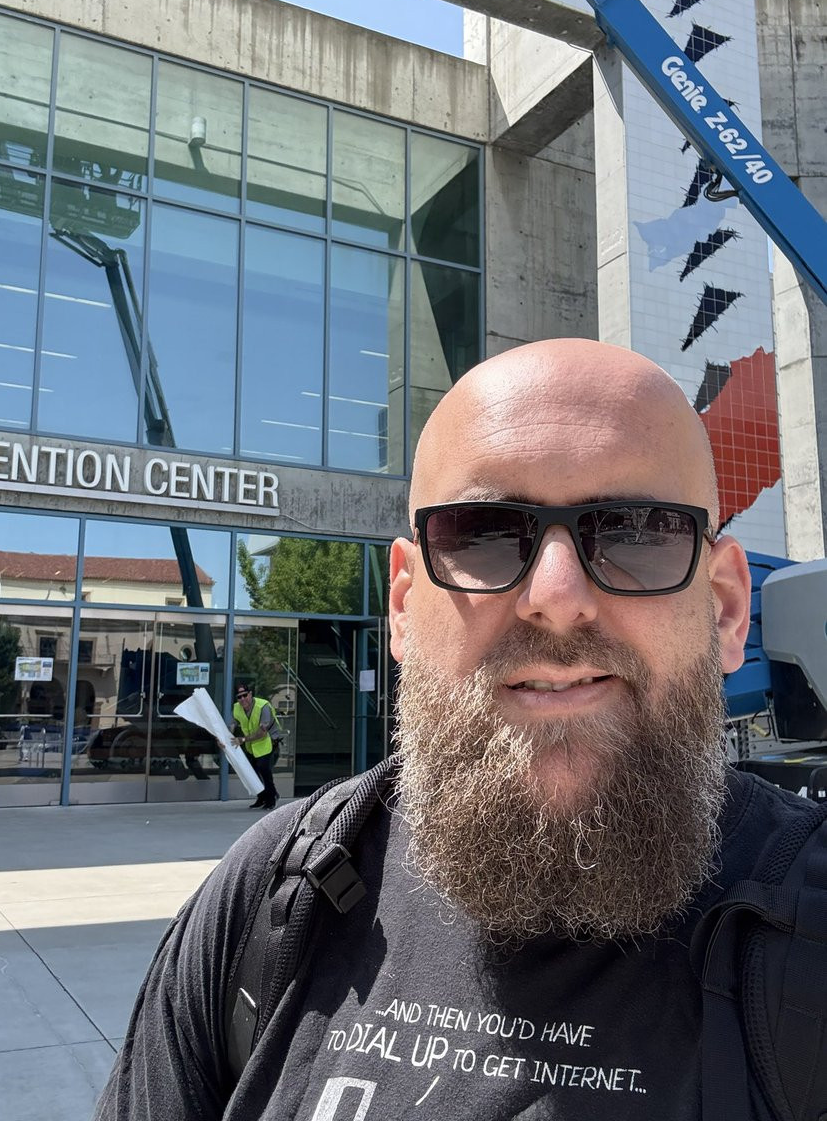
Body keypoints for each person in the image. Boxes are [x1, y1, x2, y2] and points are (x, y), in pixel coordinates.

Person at [93, 339, 821, 1121]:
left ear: (726, 610)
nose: (556, 596)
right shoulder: (271, 893)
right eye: (481, 534)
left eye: (637, 533)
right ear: (404, 608)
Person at [231, 682, 278, 810]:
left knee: (264, 769)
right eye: (239, 697)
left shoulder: (263, 706)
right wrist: (225, 737)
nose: (242, 699)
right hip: (252, 745)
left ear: (250, 694)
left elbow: (262, 733)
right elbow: (232, 724)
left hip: (268, 741)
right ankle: (261, 797)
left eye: (245, 695)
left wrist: (243, 739)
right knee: (252, 771)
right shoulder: (237, 708)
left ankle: (271, 798)